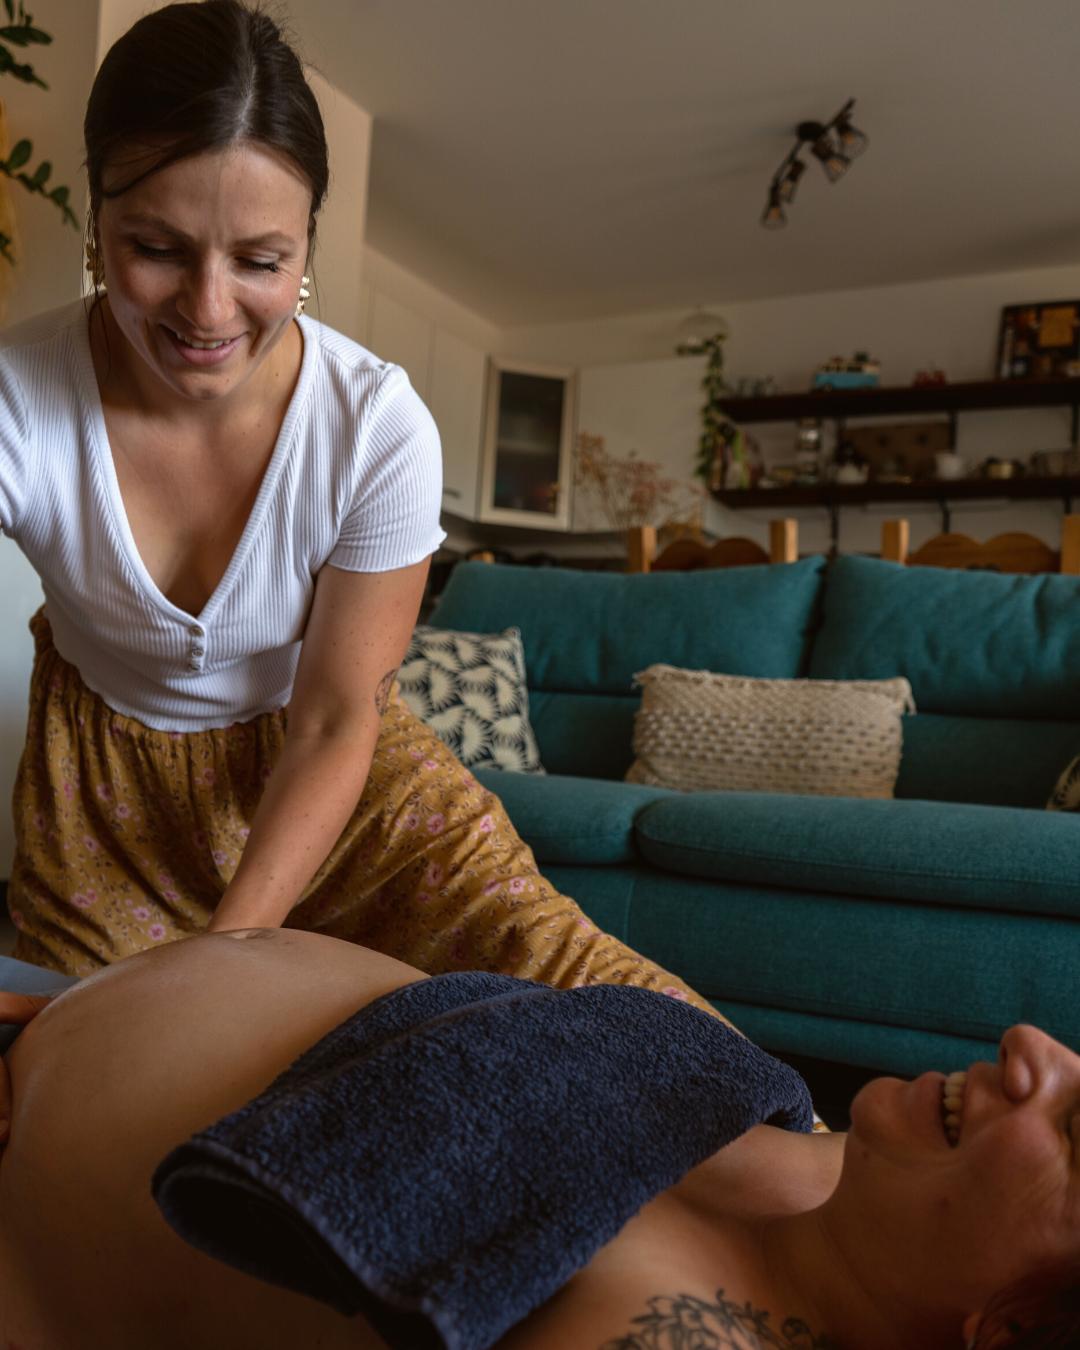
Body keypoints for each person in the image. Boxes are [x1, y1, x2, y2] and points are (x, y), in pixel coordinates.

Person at [0, 0, 718, 1023]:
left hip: (341, 785)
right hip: (104, 805)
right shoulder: (18, 396)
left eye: (260, 261)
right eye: (156, 247)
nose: (207, 311)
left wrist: (219, 962)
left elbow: (339, 716)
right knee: (103, 1078)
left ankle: (840, 1167)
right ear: (96, 218)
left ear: (307, 244)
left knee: (592, 1004)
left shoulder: (377, 428)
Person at [1, 930, 1078, 1349]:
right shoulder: (839, 1167)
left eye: (1076, 1129)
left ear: (1019, 1325)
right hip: (56, 1015)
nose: (1038, 1045)